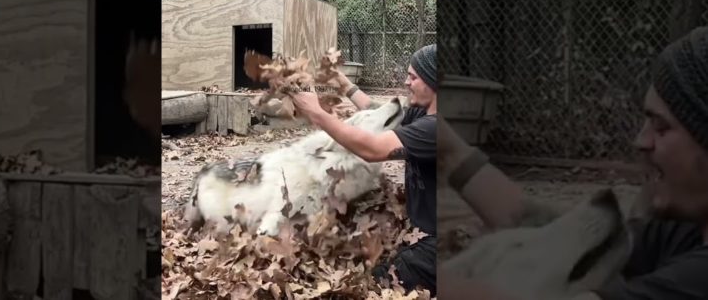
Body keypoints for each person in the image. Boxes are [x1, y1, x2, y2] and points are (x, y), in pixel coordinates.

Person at [436, 25, 708, 300]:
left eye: (661, 127)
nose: (641, 140)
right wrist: (452, 152)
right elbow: (548, 235)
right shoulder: (685, 234)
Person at [289, 43, 438, 294]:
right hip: (423, 233)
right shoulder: (421, 115)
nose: (405, 82)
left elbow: (374, 149)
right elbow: (379, 114)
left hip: (442, 245)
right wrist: (343, 83)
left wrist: (317, 113)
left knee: (373, 284)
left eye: (413, 77)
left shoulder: (436, 128)